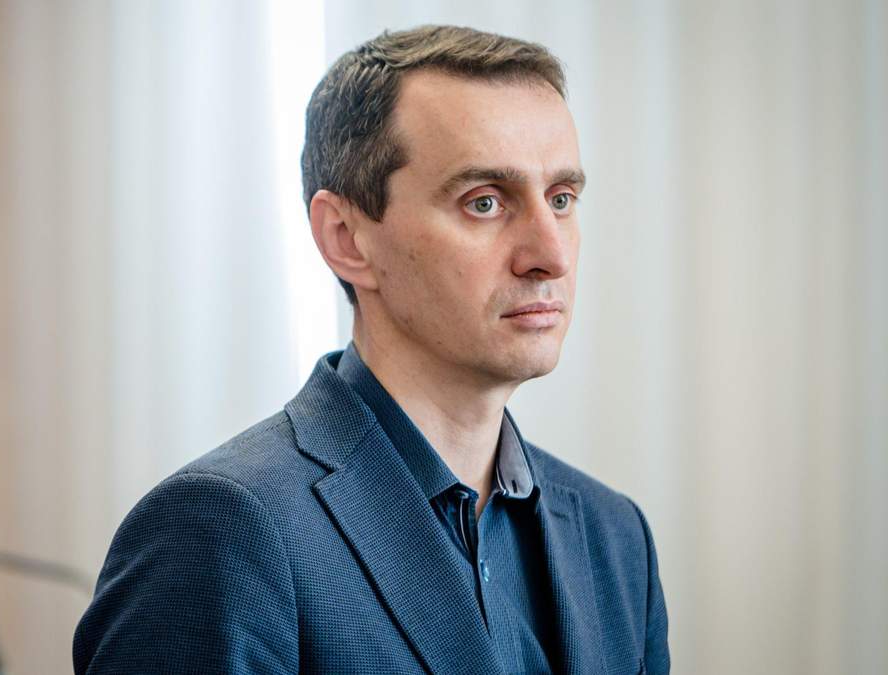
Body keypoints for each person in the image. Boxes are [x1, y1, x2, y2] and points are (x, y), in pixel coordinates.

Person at [73, 25, 669, 675]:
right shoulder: (221, 531)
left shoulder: (617, 540)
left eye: (561, 199)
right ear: (346, 237)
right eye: (484, 202)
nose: (550, 254)